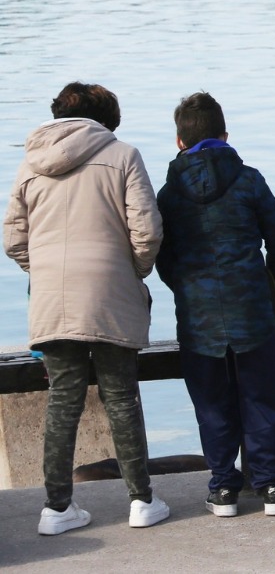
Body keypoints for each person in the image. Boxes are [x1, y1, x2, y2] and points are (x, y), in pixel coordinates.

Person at [3, 82, 170, 535]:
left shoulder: (30, 163)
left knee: (62, 402)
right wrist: (131, 270)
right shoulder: (123, 155)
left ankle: (57, 510)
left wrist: (45, 275)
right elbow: (148, 231)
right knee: (121, 397)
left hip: (52, 301)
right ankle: (141, 501)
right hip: (110, 296)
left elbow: (14, 239)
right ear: (105, 120)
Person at [154, 92, 275, 518]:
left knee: (211, 401)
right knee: (263, 396)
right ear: (225, 136)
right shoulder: (249, 179)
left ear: (179, 141)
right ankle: (272, 486)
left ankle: (223, 489)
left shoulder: (168, 193)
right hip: (251, 306)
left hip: (198, 316)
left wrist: (184, 289)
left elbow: (162, 254)